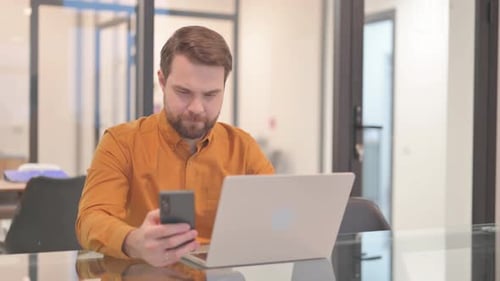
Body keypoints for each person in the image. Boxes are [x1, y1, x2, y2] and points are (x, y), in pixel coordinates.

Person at [76, 26, 275, 267]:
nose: (197, 108)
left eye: (211, 95)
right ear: (162, 80)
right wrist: (132, 240)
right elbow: (90, 220)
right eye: (183, 92)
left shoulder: (242, 147)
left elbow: (276, 213)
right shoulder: (121, 142)